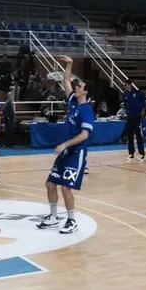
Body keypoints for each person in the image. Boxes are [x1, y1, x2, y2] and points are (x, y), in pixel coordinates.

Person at [37, 55, 94, 234]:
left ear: (86, 92)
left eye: (80, 86)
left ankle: (71, 221)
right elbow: (66, 80)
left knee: (65, 187)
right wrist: (69, 64)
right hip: (66, 151)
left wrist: (65, 144)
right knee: (50, 184)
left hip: (76, 152)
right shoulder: (73, 102)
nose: (76, 87)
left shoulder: (86, 111)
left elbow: (84, 135)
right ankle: (54, 217)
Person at [123, 80, 146, 160]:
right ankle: (131, 153)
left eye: (126, 85)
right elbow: (125, 104)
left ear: (130, 85)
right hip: (129, 117)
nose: (125, 87)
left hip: (137, 116)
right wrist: (126, 111)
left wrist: (143, 109)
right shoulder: (125, 94)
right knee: (130, 135)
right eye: (124, 85)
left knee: (138, 135)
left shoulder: (138, 93)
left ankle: (142, 154)